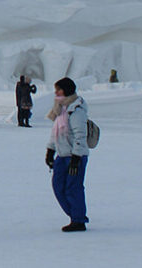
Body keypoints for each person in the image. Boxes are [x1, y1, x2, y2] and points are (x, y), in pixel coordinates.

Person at [45, 77, 89, 232]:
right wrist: (50, 151)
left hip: (74, 156)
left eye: (59, 89)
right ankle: (75, 214)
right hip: (62, 155)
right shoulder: (60, 109)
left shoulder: (76, 110)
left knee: (73, 188)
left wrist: (76, 158)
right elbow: (55, 133)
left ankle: (78, 220)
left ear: (67, 90)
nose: (56, 92)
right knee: (58, 186)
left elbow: (80, 135)